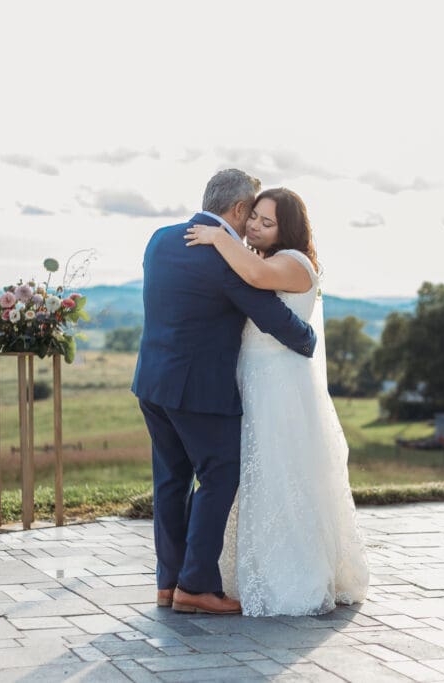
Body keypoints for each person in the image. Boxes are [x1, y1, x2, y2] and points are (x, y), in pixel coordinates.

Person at [132, 170, 317, 615]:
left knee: (171, 481)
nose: (251, 222)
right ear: (237, 210)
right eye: (250, 211)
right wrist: (308, 342)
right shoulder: (223, 257)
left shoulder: (159, 239)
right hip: (198, 390)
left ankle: (168, 581)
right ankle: (196, 586)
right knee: (219, 476)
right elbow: (269, 314)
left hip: (152, 382)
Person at [185, 187, 370, 617]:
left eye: (267, 223)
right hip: (251, 377)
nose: (254, 226)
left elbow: (253, 278)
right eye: (254, 218)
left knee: (280, 474)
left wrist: (218, 237)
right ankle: (243, 571)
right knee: (252, 476)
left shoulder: (295, 264)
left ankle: (292, 576)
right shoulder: (262, 257)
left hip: (280, 385)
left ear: (288, 230)